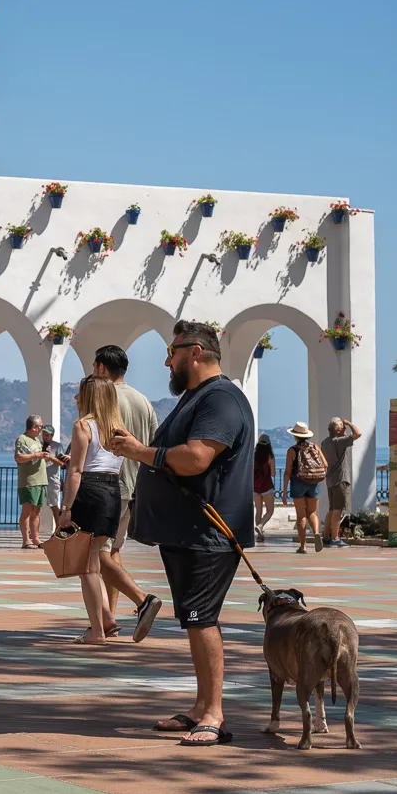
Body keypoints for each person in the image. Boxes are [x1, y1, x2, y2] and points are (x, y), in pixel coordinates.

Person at [109, 320, 255, 747]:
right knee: (193, 620)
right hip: (187, 534)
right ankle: (200, 707)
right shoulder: (197, 398)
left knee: (201, 619)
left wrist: (138, 451)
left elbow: (195, 459)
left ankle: (213, 714)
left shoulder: (222, 399)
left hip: (208, 533)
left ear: (194, 352)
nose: (167, 362)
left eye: (171, 353)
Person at [92, 345, 163, 639]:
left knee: (93, 554)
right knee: (113, 550)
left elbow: (92, 440)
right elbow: (154, 440)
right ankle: (108, 618)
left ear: (101, 368)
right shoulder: (144, 401)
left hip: (106, 484)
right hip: (135, 485)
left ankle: (141, 599)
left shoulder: (103, 397)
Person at [58, 376, 124, 645]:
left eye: (79, 394)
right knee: (95, 562)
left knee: (87, 568)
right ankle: (104, 622)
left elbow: (75, 470)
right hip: (112, 492)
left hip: (91, 491)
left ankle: (96, 631)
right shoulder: (118, 429)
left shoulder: (82, 426)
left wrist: (66, 509)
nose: (76, 398)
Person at [283, 422, 326, 554]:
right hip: (314, 482)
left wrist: (284, 492)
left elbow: (287, 472)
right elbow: (326, 464)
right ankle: (317, 533)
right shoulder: (315, 447)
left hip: (298, 482)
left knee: (301, 516)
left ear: (295, 436)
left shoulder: (292, 450)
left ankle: (303, 546)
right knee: (312, 513)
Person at [320, 417, 361, 548]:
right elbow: (358, 434)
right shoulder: (339, 441)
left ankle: (326, 537)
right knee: (338, 510)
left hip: (330, 480)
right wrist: (348, 422)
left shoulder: (325, 442)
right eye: (343, 428)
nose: (345, 429)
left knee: (331, 510)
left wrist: (344, 426)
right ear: (338, 430)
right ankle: (335, 538)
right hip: (341, 480)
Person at [14, 416, 47, 549]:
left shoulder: (36, 440)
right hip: (29, 481)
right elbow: (18, 457)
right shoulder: (22, 439)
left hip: (40, 480)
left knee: (36, 511)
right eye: (40, 427)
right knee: (27, 511)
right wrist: (35, 456)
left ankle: (36, 538)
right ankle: (26, 540)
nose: (41, 429)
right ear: (34, 427)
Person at [253, 435, 276, 541]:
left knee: (258, 511)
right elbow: (273, 474)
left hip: (255, 487)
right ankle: (261, 526)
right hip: (267, 487)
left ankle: (259, 536)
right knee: (270, 511)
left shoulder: (254, 456)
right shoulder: (270, 457)